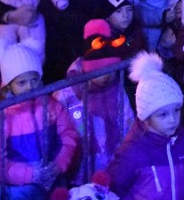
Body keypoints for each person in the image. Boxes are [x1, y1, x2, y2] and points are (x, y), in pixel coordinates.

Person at [0, 40, 79, 200]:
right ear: (9, 86)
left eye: (34, 79)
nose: (30, 86)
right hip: (16, 194)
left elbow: (68, 135)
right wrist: (30, 174)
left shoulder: (52, 106)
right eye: (21, 82)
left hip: (52, 186)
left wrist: (58, 164)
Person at [108, 52, 184, 200]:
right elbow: (113, 192)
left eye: (176, 110)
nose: (172, 120)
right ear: (147, 117)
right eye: (163, 115)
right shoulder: (132, 152)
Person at [53, 19, 135, 184]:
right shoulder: (67, 95)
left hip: (112, 168)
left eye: (110, 71)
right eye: (98, 71)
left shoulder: (117, 91)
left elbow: (128, 123)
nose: (105, 77)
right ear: (87, 69)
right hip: (79, 171)